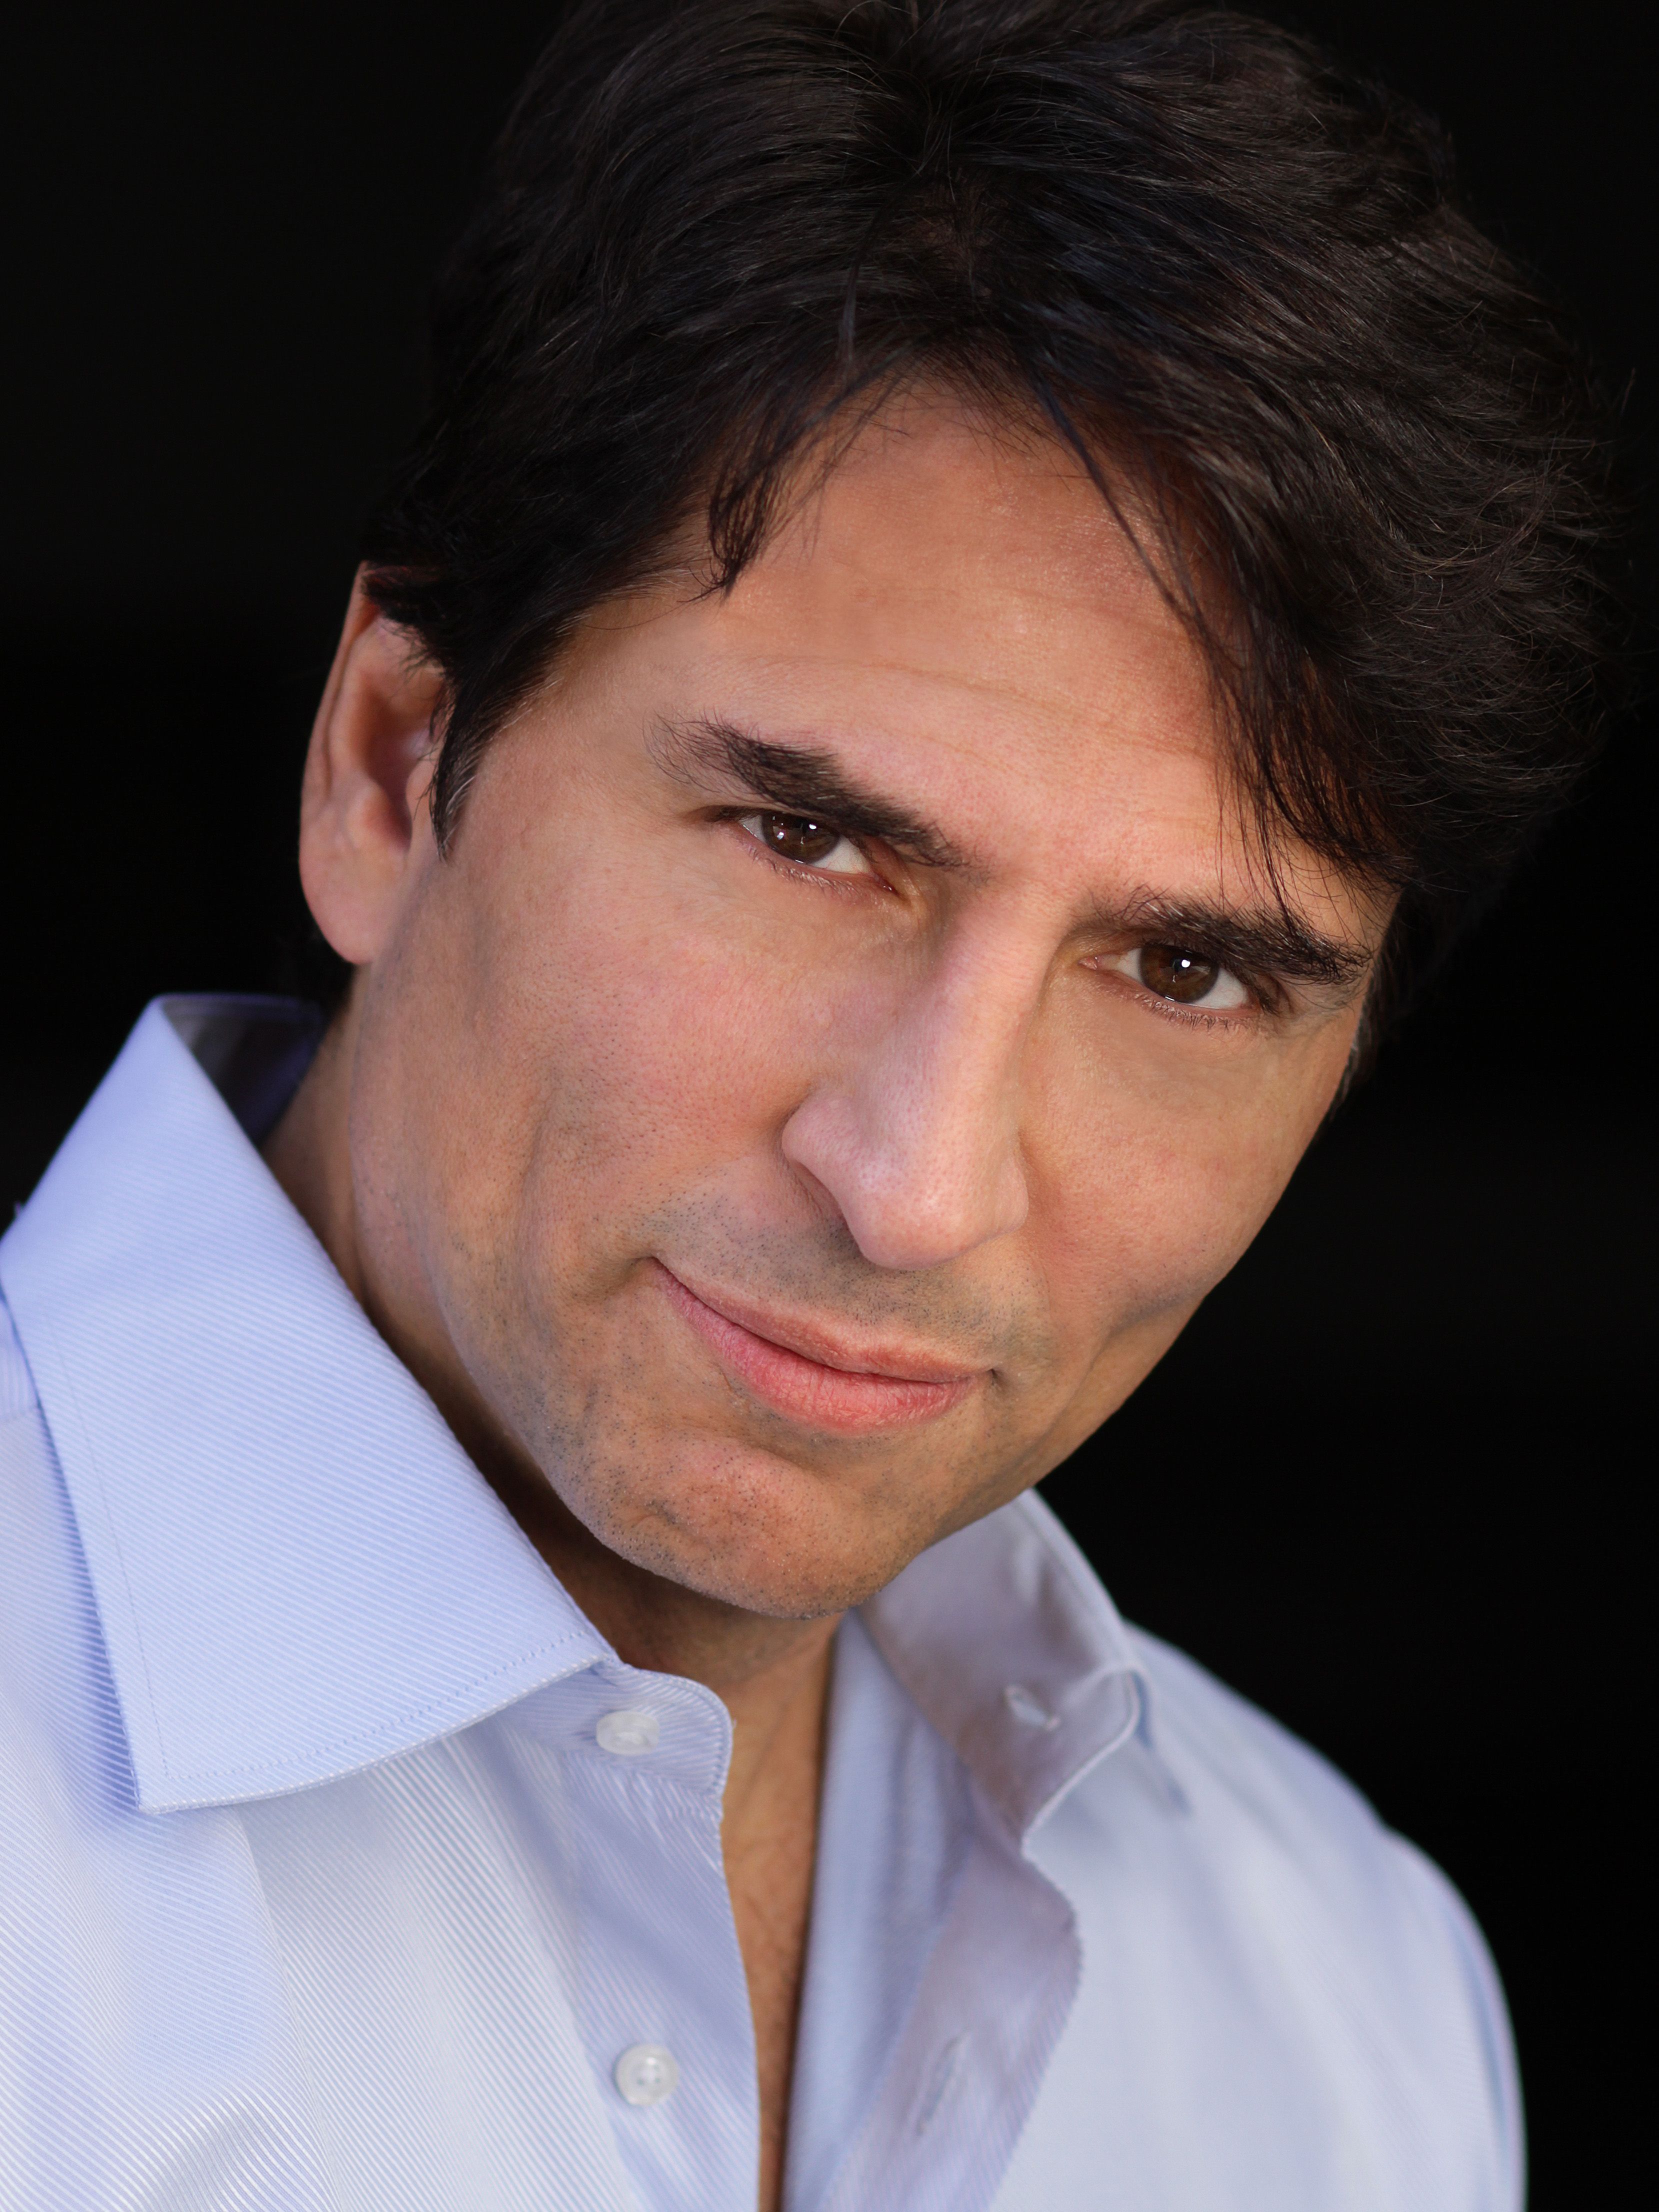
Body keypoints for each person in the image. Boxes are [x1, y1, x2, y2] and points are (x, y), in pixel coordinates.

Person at [0, 2, 1622, 2207]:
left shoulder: (1334, 1994)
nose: (917, 1187)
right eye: (807, 840)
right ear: (391, 765)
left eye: (1182, 971)